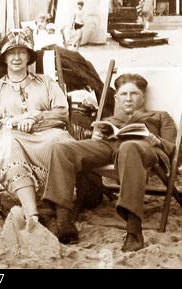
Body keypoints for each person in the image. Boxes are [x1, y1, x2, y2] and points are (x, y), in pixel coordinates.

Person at [42, 73, 176, 252]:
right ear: (116, 97)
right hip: (109, 147)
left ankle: (134, 230)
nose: (128, 98)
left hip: (143, 149)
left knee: (129, 147)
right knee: (61, 149)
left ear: (143, 96)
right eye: (123, 94)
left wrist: (156, 140)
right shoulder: (109, 121)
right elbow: (98, 144)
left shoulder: (160, 116)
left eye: (134, 94)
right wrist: (96, 136)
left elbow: (171, 147)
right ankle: (64, 220)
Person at [0, 31, 72, 231]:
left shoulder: (46, 82)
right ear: (4, 58)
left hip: (48, 135)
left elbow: (63, 112)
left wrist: (36, 116)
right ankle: (32, 213)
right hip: (13, 137)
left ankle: (58, 207)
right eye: (11, 53)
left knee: (62, 144)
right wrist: (17, 120)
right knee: (6, 146)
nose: (16, 57)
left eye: (22, 52)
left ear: (28, 57)